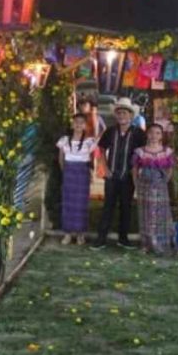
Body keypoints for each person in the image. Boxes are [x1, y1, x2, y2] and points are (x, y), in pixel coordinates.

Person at [92, 98, 146, 249]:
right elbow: (101, 149)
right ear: (116, 115)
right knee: (107, 207)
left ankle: (123, 239)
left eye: (125, 113)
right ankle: (101, 239)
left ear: (131, 115)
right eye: (119, 113)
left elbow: (143, 153)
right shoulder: (110, 131)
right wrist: (105, 168)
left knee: (126, 207)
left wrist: (137, 171)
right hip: (112, 175)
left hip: (128, 176)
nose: (122, 115)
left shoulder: (139, 133)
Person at [133, 124, 176, 254]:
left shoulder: (166, 151)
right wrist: (136, 183)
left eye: (157, 133)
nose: (154, 136)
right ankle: (146, 243)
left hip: (160, 185)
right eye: (151, 132)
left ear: (161, 136)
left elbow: (170, 169)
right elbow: (134, 169)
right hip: (144, 185)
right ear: (147, 134)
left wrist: (163, 182)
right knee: (145, 213)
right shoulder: (140, 151)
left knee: (159, 213)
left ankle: (159, 243)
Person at [56, 113, 97, 245]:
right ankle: (67, 234)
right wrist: (65, 171)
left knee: (81, 204)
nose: (78, 125)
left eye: (81, 122)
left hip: (82, 173)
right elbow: (61, 158)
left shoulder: (89, 141)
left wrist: (90, 173)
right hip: (69, 173)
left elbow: (91, 159)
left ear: (85, 125)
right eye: (76, 122)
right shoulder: (64, 140)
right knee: (68, 203)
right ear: (72, 124)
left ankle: (80, 234)